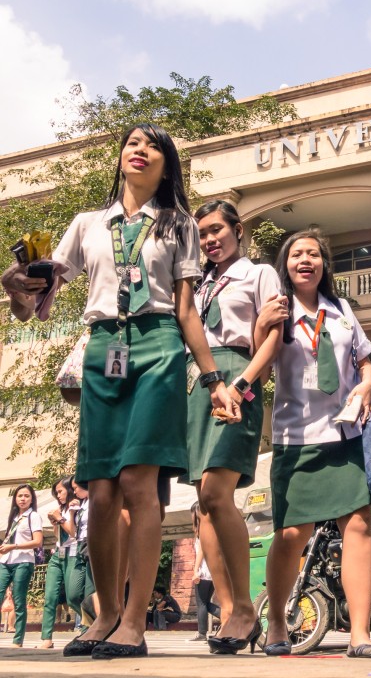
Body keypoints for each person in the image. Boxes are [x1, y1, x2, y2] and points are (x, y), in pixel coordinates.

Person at [0, 123, 239, 660]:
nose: (140, 150)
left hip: (157, 346)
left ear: (166, 163)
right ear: (121, 156)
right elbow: (37, 302)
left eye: (152, 145)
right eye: (133, 142)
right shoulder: (87, 224)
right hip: (102, 348)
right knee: (101, 490)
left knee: (137, 482)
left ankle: (134, 622)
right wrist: (16, 290)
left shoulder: (179, 224)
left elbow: (185, 311)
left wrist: (213, 379)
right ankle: (105, 614)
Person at [255, 230, 371, 658]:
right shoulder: (277, 309)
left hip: (345, 435)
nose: (305, 259)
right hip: (295, 437)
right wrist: (260, 326)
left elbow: (365, 364)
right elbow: (261, 363)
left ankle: (360, 634)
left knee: (359, 526)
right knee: (293, 533)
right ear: (285, 265)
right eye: (296, 254)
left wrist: (365, 388)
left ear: (324, 264)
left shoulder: (342, 310)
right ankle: (275, 625)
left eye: (313, 253)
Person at [182, 199, 282, 654]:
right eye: (203, 233)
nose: (210, 239)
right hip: (195, 383)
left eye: (217, 229)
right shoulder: (196, 281)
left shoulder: (259, 273)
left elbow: (274, 338)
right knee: (201, 504)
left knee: (216, 493)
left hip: (236, 375)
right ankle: (228, 608)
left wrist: (241, 385)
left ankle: (244, 606)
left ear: (238, 230)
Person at [40, 476, 86, 649]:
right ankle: (46, 638)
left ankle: (89, 626)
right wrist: (55, 522)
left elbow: (74, 533)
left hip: (73, 553)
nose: (58, 495)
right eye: (56, 493)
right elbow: (58, 535)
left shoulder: (78, 505)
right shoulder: (60, 508)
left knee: (73, 595)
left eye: (60, 491)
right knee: (50, 596)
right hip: (57, 554)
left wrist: (60, 519)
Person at [0, 484, 43, 648]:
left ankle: (18, 639)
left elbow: (37, 541)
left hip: (23, 561)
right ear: (15, 499)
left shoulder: (34, 516)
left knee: (19, 600)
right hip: (6, 561)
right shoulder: (13, 517)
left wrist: (15, 546)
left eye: (26, 496)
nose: (23, 499)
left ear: (32, 499)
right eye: (20, 496)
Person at [188, 503, 221, 642]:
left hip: (204, 572)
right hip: (212, 571)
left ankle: (202, 633)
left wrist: (195, 571)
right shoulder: (213, 528)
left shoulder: (202, 530)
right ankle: (228, 616)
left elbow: (201, 550)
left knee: (201, 603)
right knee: (206, 603)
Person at [68, 480, 95, 630]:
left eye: (76, 488)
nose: (75, 491)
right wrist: (72, 513)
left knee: (90, 592)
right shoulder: (82, 504)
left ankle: (90, 629)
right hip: (79, 545)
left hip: (93, 543)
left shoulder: (96, 500)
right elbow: (73, 533)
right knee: (73, 595)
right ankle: (93, 622)